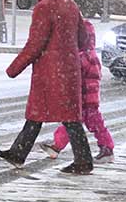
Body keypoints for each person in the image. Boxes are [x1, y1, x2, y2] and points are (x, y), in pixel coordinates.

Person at [0, 0, 94, 175]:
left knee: (41, 112)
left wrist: (14, 68)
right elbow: (84, 39)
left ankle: (81, 161)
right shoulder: (70, 4)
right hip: (69, 70)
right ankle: (19, 152)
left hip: (49, 72)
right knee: (67, 116)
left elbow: (35, 44)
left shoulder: (44, 7)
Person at [39, 20, 114, 163]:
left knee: (89, 123)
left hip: (85, 98)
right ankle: (57, 146)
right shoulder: (88, 54)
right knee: (73, 122)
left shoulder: (83, 56)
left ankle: (107, 148)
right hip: (86, 97)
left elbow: (74, 76)